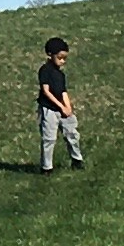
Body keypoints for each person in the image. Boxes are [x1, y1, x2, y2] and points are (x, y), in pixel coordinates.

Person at [38, 33, 82, 171]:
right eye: (60, 58)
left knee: (72, 134)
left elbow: (63, 92)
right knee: (49, 139)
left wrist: (68, 107)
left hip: (63, 109)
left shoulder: (60, 74)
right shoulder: (45, 71)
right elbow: (46, 91)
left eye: (65, 58)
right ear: (50, 55)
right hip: (49, 109)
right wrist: (60, 106)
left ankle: (77, 159)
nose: (63, 61)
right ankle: (47, 167)